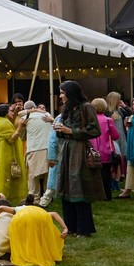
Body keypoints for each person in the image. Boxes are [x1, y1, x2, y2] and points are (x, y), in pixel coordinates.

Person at [54, 80, 103, 236]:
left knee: (78, 186)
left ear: (70, 93)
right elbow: (66, 130)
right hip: (67, 150)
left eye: (62, 93)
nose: (60, 96)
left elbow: (95, 130)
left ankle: (84, 228)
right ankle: (70, 227)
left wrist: (71, 131)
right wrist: (60, 129)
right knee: (67, 185)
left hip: (79, 151)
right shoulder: (67, 108)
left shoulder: (86, 107)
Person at [0, 199, 68, 266]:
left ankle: (26, 256)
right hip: (41, 217)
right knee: (40, 236)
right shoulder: (38, 210)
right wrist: (65, 228)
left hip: (21, 219)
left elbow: (1, 208)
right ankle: (47, 254)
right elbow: (54, 213)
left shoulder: (17, 209)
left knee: (22, 239)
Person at [0, 103, 26, 203]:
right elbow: (11, 138)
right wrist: (20, 127)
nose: (12, 112)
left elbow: (10, 124)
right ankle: (4, 198)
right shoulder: (4, 123)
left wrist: (16, 112)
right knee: (5, 175)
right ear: (4, 112)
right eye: (10, 111)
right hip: (5, 152)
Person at [88, 98, 121, 201]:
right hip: (105, 151)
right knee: (106, 175)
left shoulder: (89, 121)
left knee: (92, 175)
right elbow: (116, 136)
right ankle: (106, 195)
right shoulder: (108, 120)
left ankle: (93, 195)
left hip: (91, 151)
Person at [21, 101, 53, 200]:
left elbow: (22, 136)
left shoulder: (25, 117)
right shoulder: (47, 114)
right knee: (48, 174)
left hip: (34, 148)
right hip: (48, 148)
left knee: (33, 175)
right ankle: (48, 197)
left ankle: (34, 197)